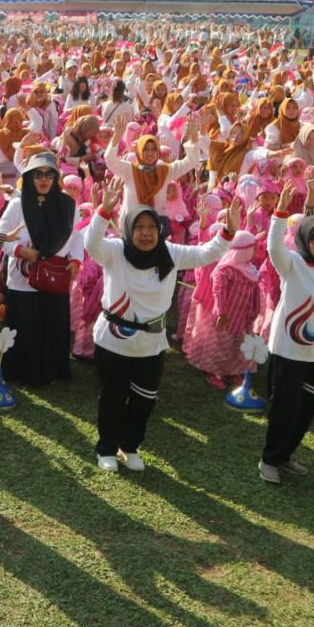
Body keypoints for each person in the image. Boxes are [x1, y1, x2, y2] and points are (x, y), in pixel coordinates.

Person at [86, 178, 239, 472]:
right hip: (113, 340)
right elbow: (91, 244)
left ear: (160, 230)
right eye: (139, 228)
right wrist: (102, 213)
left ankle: (130, 447)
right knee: (113, 398)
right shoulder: (114, 251)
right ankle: (106, 449)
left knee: (144, 399)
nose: (145, 233)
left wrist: (228, 232)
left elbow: (206, 254)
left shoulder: (171, 253)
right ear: (129, 230)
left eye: (151, 228)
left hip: (151, 344)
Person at [0, 152, 83, 391]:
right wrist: (19, 250)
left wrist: (76, 259)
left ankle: (50, 370)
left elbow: (76, 235)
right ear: (29, 177)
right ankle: (22, 371)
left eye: (48, 174)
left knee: (52, 325)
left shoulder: (67, 204)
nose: (43, 179)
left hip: (55, 274)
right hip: (23, 278)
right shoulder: (17, 204)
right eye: (37, 174)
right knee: (26, 325)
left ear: (56, 177)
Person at [259, 183, 314, 484]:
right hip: (288, 350)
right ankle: (269, 459)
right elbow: (273, 248)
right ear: (304, 239)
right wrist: (280, 213)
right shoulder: (293, 263)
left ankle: (285, 455)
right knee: (284, 407)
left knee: (306, 408)